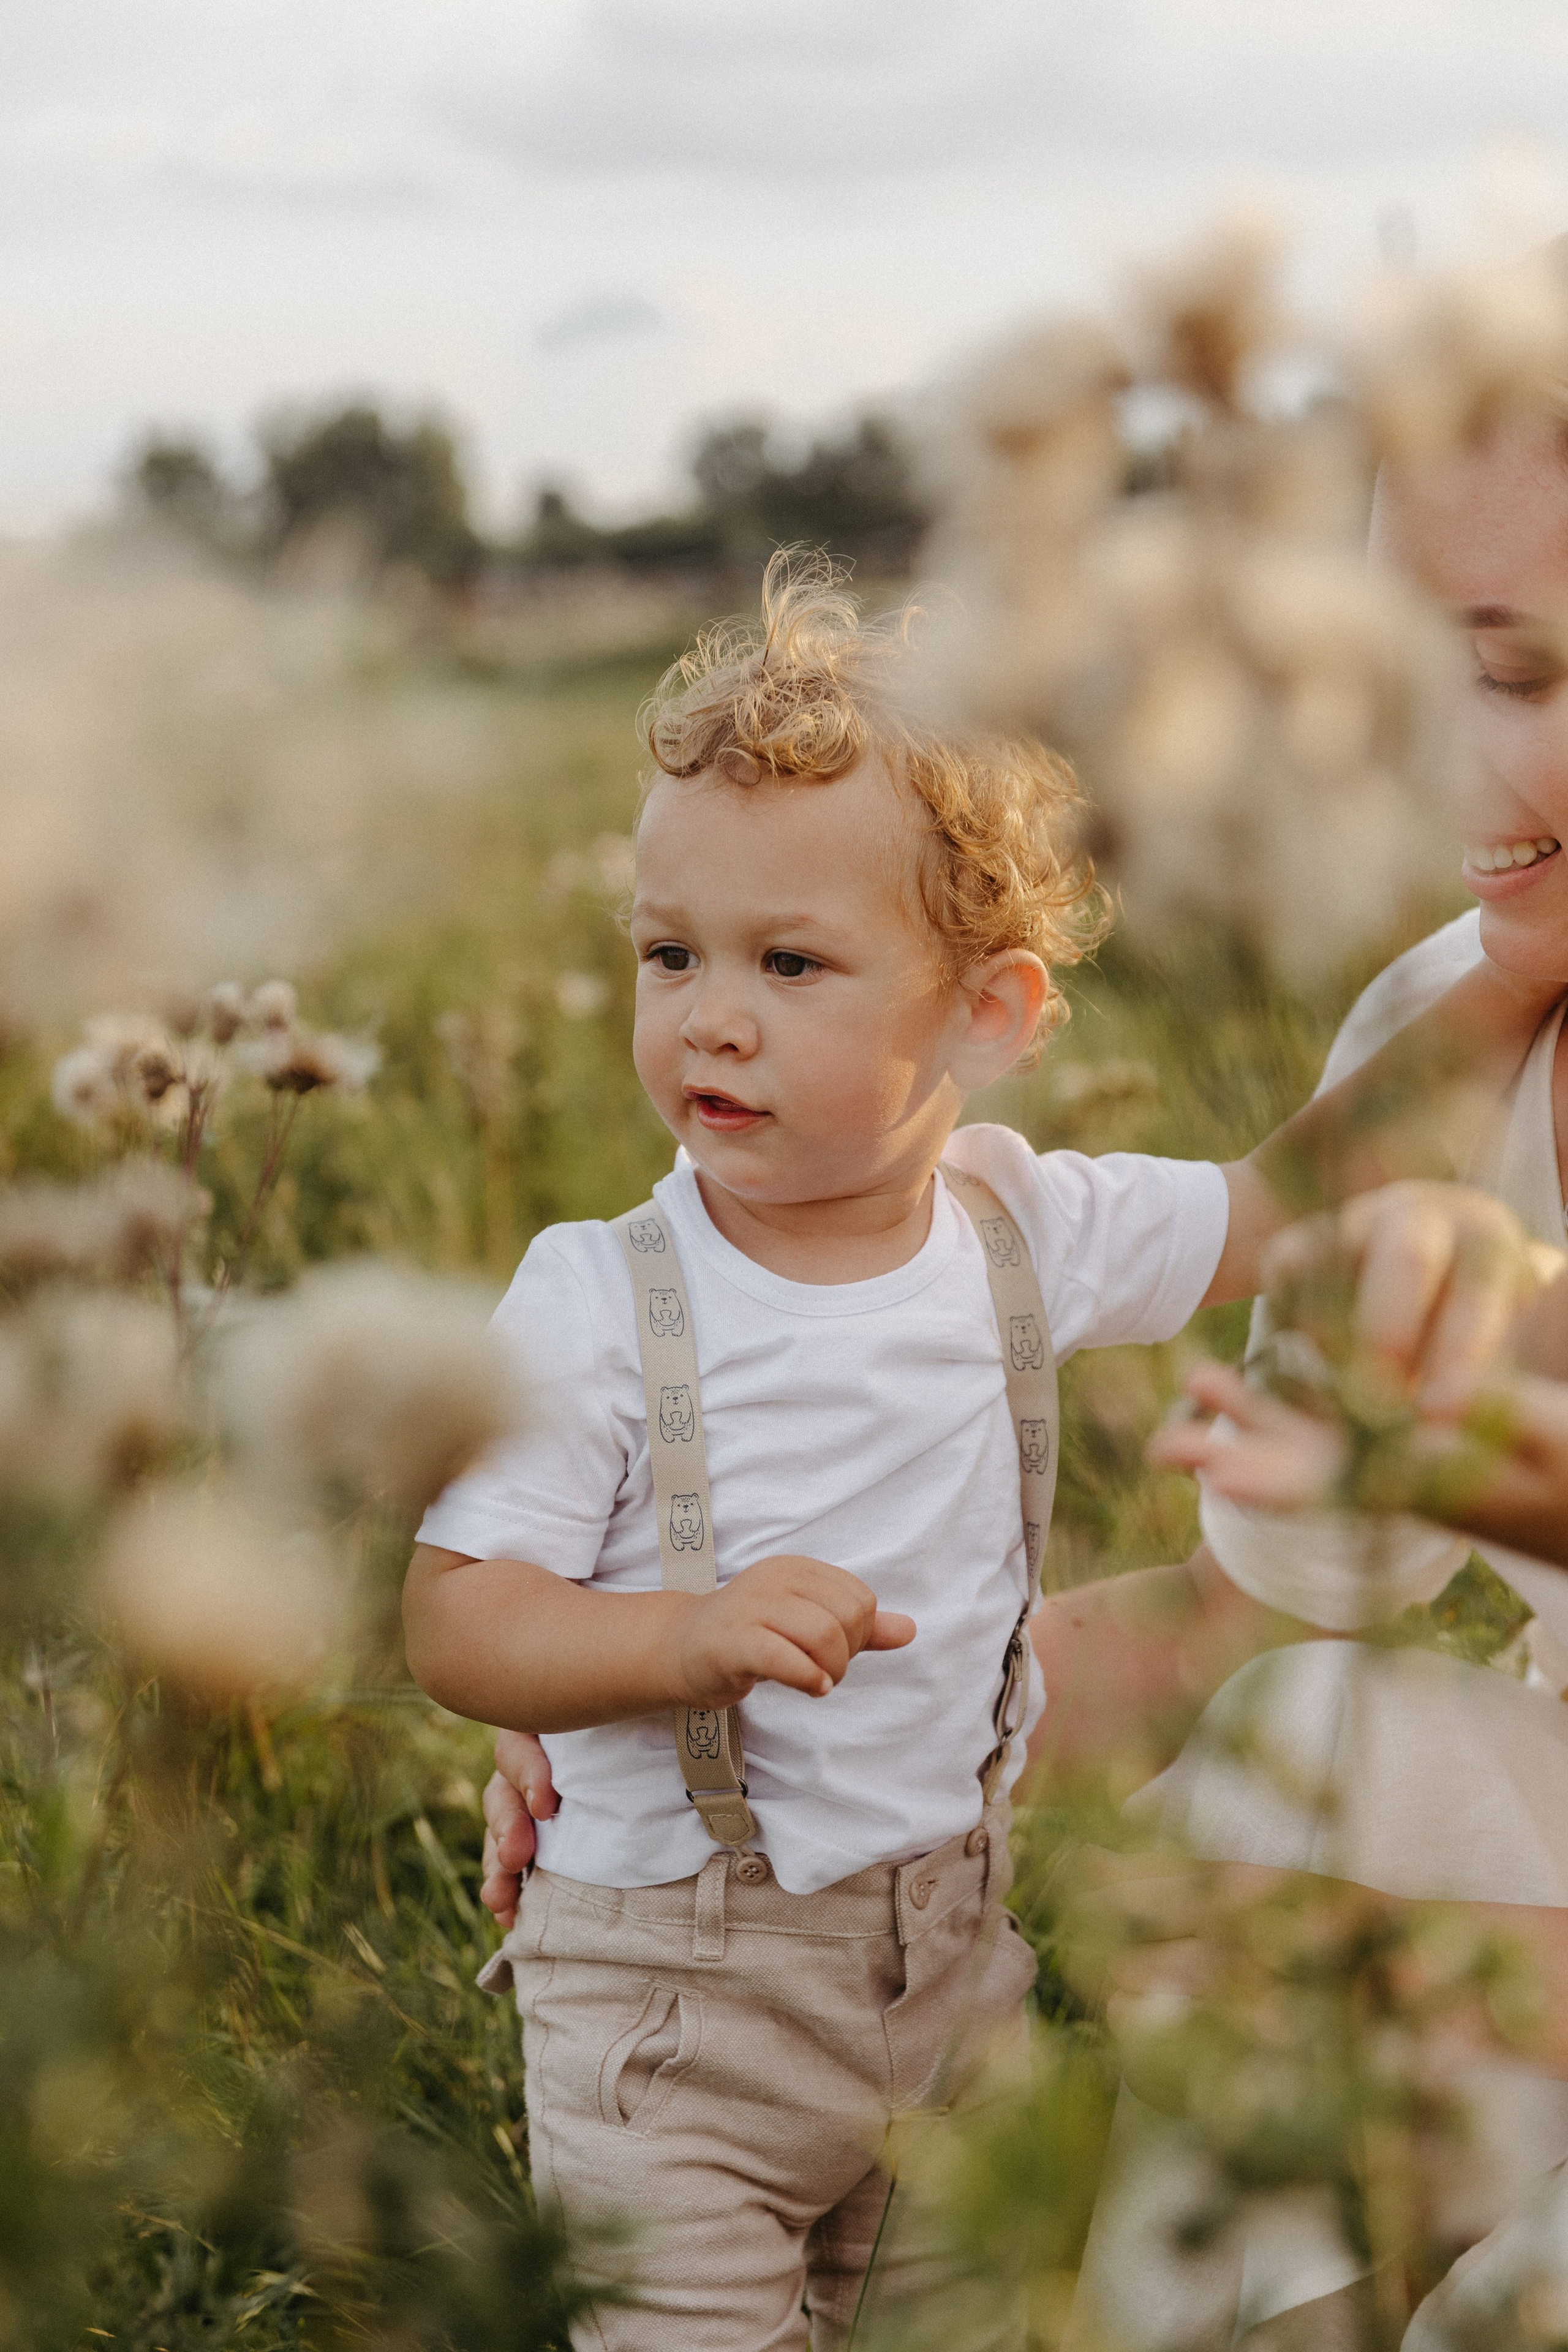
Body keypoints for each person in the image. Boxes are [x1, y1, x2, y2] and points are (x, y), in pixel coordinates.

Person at [407, 557, 1547, 2352]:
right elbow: (460, 1620)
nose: (711, 1012)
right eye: (668, 952)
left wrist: (1512, 974)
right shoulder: (595, 1299)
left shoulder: (1022, 1225)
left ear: (991, 1017)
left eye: (791, 963)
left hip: (954, 1967)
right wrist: (665, 1648)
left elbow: (1290, 1193)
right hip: (676, 2007)